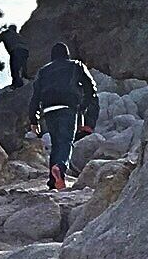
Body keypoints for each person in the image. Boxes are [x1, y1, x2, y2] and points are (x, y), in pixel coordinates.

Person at [29, 39, 97, 190]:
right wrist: (82, 106)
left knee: (56, 144)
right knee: (66, 141)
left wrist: (34, 120)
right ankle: (60, 167)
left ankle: (53, 182)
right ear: (67, 54)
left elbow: (35, 96)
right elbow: (91, 88)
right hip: (67, 107)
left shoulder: (43, 71)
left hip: (49, 110)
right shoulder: (76, 65)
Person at [0, 22, 28, 88]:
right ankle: (24, 77)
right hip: (25, 50)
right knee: (22, 65)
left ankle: (17, 83)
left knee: (14, 67)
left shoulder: (5, 33)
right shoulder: (18, 35)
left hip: (16, 50)